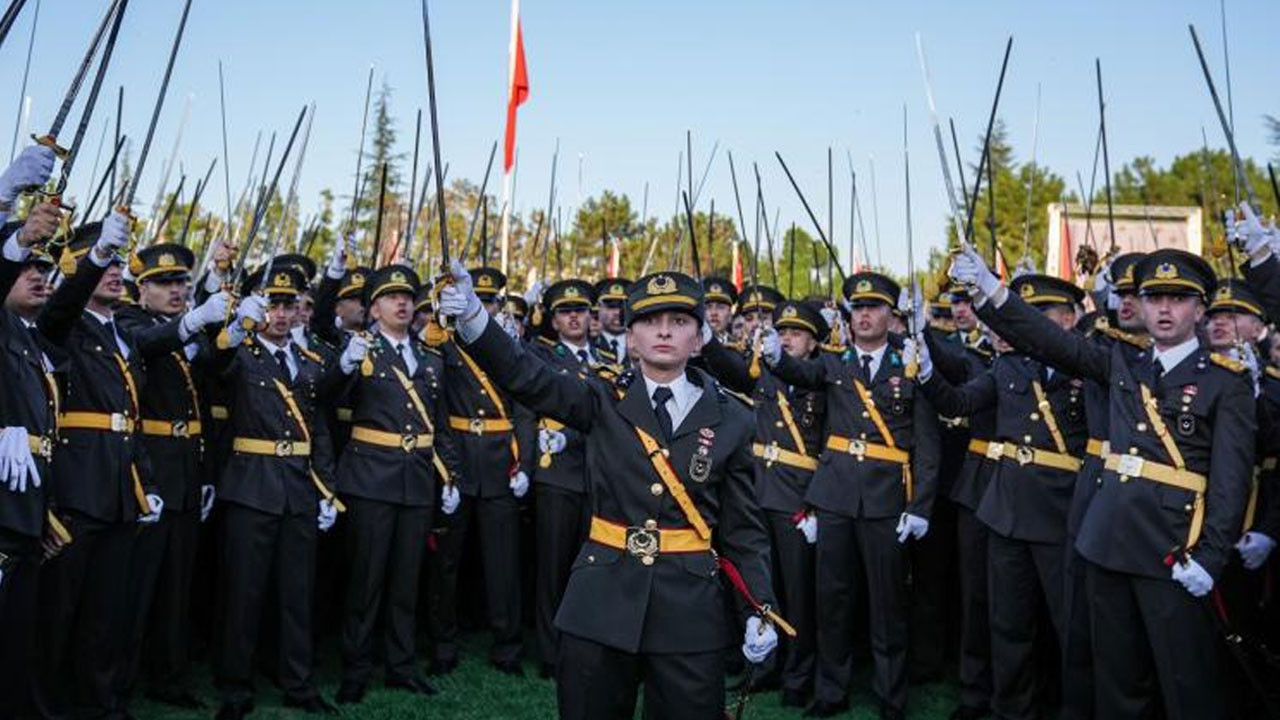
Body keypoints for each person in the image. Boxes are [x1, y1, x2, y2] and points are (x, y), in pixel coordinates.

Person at [438, 264, 778, 720]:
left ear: (699, 340)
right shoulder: (601, 399)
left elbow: (744, 531)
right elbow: (525, 375)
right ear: (630, 338)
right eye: (649, 322)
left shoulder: (734, 419)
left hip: (689, 610)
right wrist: (475, 318)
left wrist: (760, 605)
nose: (663, 332)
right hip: (600, 601)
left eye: (679, 322)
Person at [951, 245, 1254, 720]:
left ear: (1200, 308)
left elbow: (1231, 481)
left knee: (1186, 682)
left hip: (1174, 549)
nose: (1164, 309)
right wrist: (992, 290)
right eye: (1154, 298)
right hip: (1106, 543)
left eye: (1177, 298)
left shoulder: (1225, 380)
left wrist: (1212, 556)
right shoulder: (1122, 363)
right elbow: (1049, 340)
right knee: (1117, 682)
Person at [760, 271, 941, 720]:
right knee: (832, 601)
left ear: (889, 315)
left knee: (887, 606)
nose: (864, 315)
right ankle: (831, 690)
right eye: (857, 308)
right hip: (836, 497)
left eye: (873, 307)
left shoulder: (911, 363)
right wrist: (775, 357)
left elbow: (928, 445)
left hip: (885, 501)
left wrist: (920, 507)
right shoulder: (835, 363)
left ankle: (890, 696)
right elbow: (800, 371)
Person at [918, 273, 1090, 720]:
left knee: (1070, 627)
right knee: (1007, 623)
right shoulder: (1009, 367)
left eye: (1039, 316)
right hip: (1006, 511)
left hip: (1062, 512)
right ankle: (1010, 709)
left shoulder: (1088, 367)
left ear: (1069, 320)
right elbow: (958, 403)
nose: (1022, 326)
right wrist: (926, 374)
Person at [329, 265, 463, 704]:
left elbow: (440, 424)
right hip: (370, 477)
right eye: (390, 297)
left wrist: (451, 475)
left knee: (407, 580)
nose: (403, 303)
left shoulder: (429, 356)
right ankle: (356, 668)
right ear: (373, 308)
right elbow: (327, 398)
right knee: (366, 581)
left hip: (417, 479)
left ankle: (401, 665)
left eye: (407, 297)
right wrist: (344, 365)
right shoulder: (360, 351)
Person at [211, 263, 340, 719]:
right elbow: (213, 362)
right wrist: (233, 323)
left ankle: (298, 684)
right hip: (251, 484)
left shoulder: (308, 363)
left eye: (288, 305)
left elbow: (318, 430)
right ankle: (235, 688)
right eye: (272, 305)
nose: (281, 314)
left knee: (296, 593)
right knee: (244, 593)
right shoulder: (240, 353)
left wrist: (327, 489)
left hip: (298, 488)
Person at [33, 214, 148, 719]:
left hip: (120, 485)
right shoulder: (62, 322)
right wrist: (93, 257)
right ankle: (48, 705)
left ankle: (99, 702)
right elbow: (59, 307)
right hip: (78, 486)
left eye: (120, 261)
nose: (116, 271)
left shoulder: (124, 332)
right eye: (105, 262)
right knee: (60, 610)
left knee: (107, 610)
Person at [113, 243, 228, 710]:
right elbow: (152, 345)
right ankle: (119, 683)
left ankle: (169, 676)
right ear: (141, 291)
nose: (176, 290)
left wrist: (228, 327)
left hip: (185, 466)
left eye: (181, 282)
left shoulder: (185, 332)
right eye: (164, 283)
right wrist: (195, 321)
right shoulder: (131, 322)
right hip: (151, 468)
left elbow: (214, 375)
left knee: (176, 587)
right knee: (137, 588)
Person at [701, 298, 829, 708]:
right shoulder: (764, 372)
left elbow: (833, 445)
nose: (787, 338)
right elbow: (730, 370)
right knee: (760, 589)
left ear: (813, 343)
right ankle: (765, 666)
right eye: (783, 331)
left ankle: (799, 674)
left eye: (796, 333)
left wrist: (817, 503)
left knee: (798, 593)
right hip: (757, 491)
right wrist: (706, 338)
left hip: (798, 496)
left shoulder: (825, 378)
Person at [427, 266, 536, 676]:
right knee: (447, 561)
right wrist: (445, 468)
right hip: (457, 458)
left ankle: (507, 646)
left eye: (491, 302)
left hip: (499, 464)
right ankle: (442, 643)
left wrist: (524, 463)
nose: (486, 307)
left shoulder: (505, 347)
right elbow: (434, 407)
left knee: (503, 563)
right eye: (481, 300)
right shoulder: (444, 343)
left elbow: (524, 410)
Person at [0, 198, 71, 719]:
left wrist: (95, 261)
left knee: (17, 630)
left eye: (44, 270)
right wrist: (16, 235)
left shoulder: (33, 338)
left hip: (27, 500)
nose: (38, 277)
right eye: (27, 270)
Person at [526, 278, 609, 678]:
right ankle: (550, 651)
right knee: (553, 569)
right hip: (557, 473)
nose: (574, 317)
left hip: (597, 474)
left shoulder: (607, 356)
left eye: (580, 310)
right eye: (565, 311)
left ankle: (585, 647)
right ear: (553, 320)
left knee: (591, 570)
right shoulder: (542, 355)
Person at [592, 277, 630, 365]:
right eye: (611, 307)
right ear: (599, 308)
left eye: (623, 307)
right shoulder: (586, 344)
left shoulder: (642, 344)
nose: (617, 312)